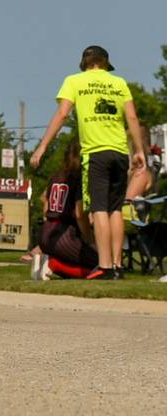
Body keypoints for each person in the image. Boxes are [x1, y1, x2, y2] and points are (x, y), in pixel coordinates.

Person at [30, 45, 148, 279]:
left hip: (95, 152)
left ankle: (104, 267)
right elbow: (132, 117)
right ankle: (117, 266)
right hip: (119, 152)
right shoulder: (119, 83)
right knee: (115, 210)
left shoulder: (74, 81)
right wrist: (138, 150)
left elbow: (62, 114)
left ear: (85, 64)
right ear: (105, 63)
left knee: (99, 208)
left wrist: (42, 146)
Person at [36, 139, 101, 280]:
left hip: (46, 232)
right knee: (101, 265)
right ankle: (53, 265)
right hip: (65, 235)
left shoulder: (56, 176)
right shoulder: (78, 178)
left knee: (76, 260)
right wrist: (88, 238)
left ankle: (51, 262)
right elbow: (79, 214)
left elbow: (45, 203)